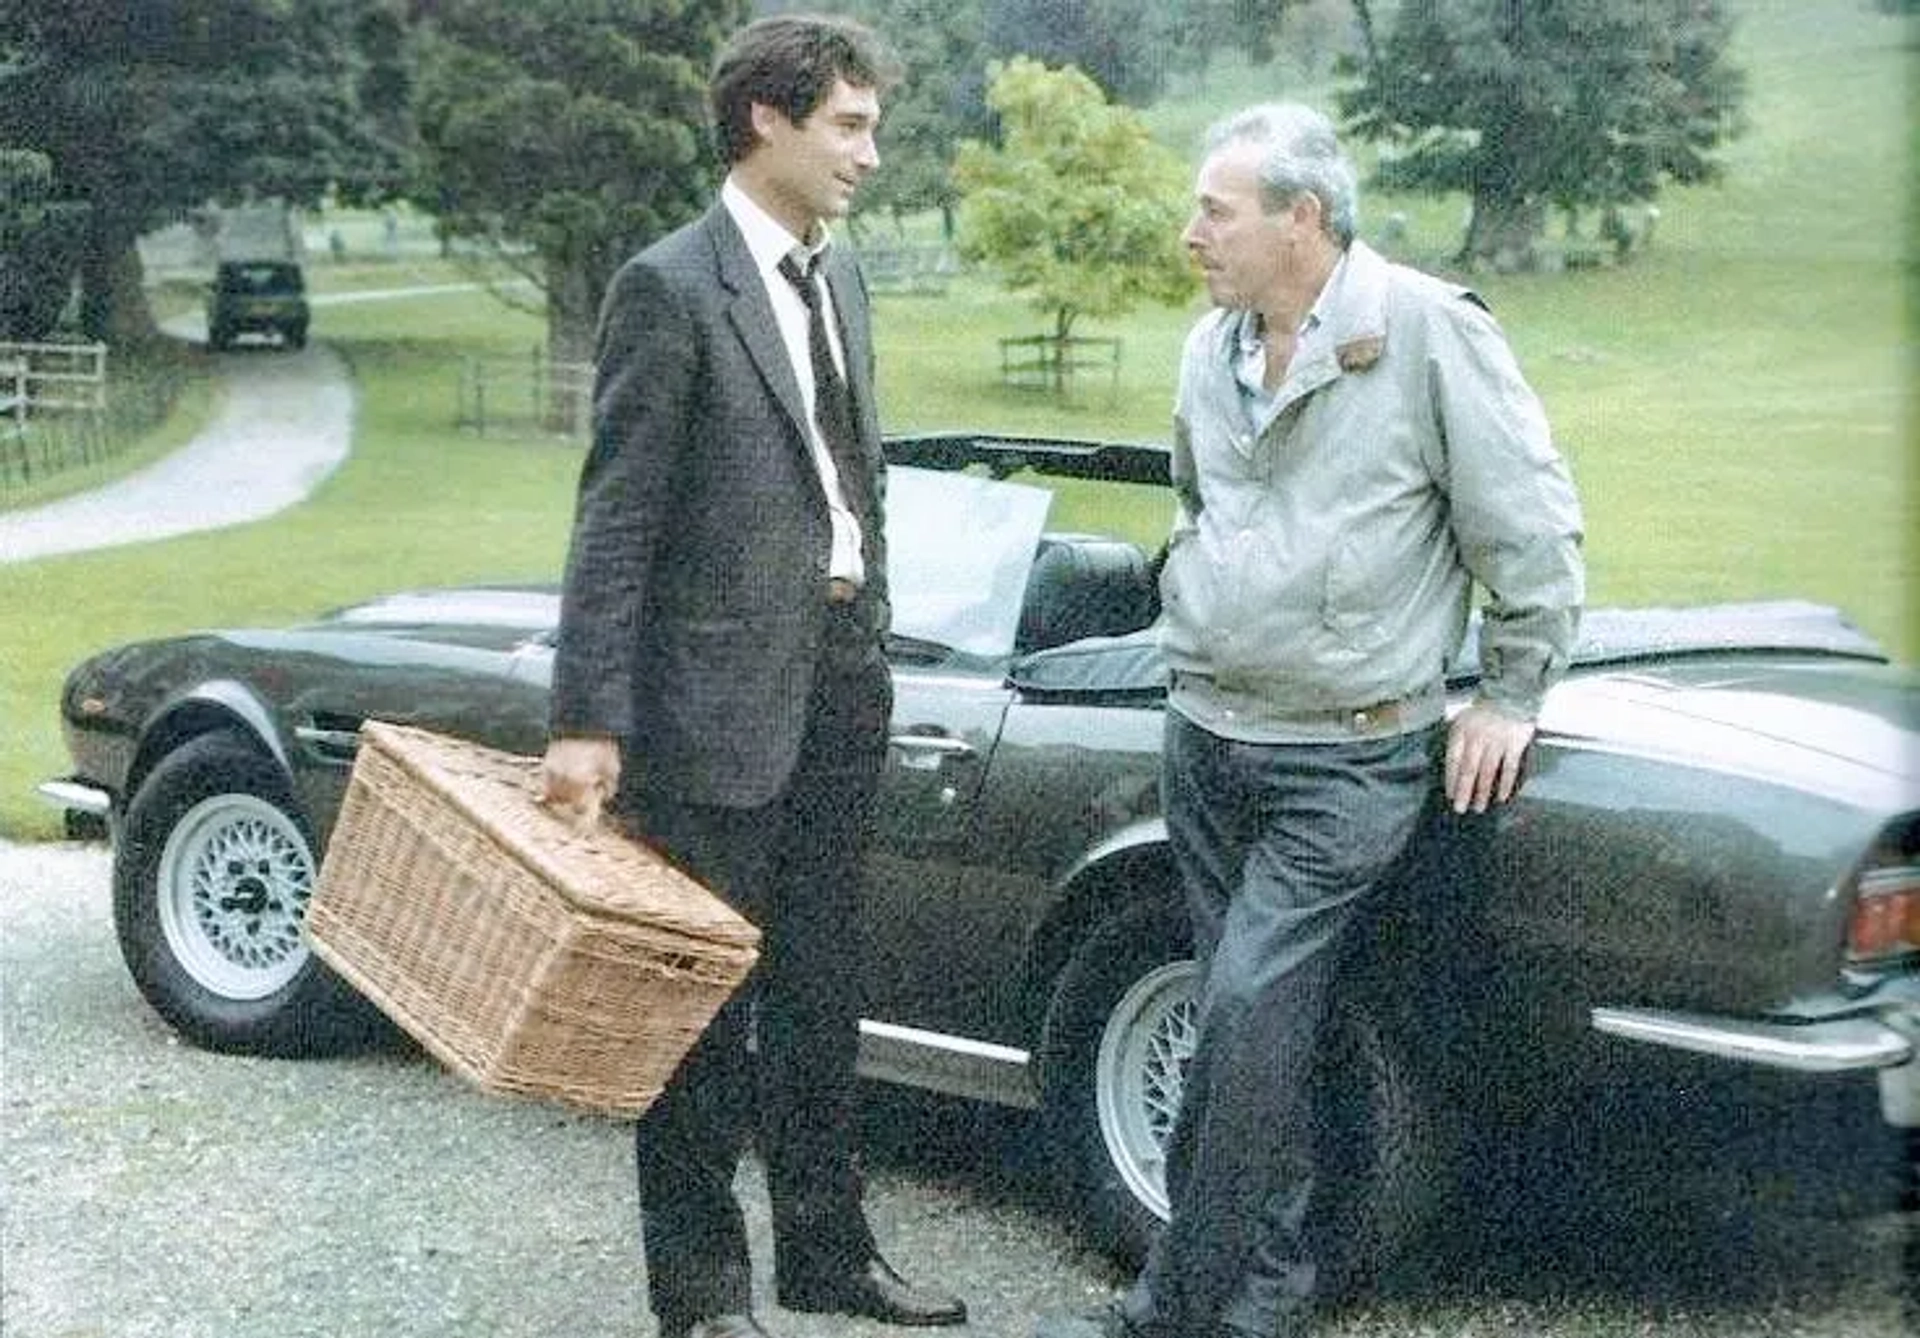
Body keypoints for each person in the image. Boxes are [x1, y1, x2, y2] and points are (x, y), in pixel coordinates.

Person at [1038, 103, 1586, 1338]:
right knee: (1261, 1038)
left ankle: (1166, 1310)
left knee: (1241, 1018)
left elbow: (1533, 527)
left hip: (1348, 757)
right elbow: (1198, 507)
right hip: (1208, 740)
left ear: (1305, 218)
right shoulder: (1208, 348)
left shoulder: (1431, 334)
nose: (1191, 235)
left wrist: (1509, 690)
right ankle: (1263, 1303)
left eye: (1215, 212)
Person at [539, 15, 966, 1338]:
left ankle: (828, 1257)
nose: (872, 154)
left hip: (842, 684)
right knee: (698, 1009)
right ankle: (706, 1295)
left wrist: (876, 628)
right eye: (850, 124)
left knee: (824, 993)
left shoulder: (837, 282)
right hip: (713, 712)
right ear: (766, 121)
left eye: (873, 126)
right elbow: (617, 520)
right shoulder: (668, 288)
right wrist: (588, 721)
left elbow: (853, 490)